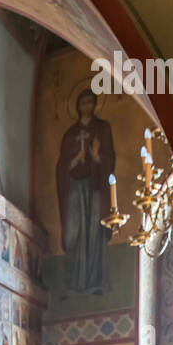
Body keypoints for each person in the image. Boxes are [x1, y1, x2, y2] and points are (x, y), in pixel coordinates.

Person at [55, 88, 115, 295]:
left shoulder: (102, 128)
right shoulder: (70, 134)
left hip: (95, 185)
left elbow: (109, 161)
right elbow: (61, 166)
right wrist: (75, 159)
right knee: (74, 232)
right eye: (83, 103)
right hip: (74, 187)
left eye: (90, 102)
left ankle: (95, 282)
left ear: (95, 104)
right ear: (77, 106)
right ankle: (74, 282)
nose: (86, 107)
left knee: (94, 231)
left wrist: (97, 156)